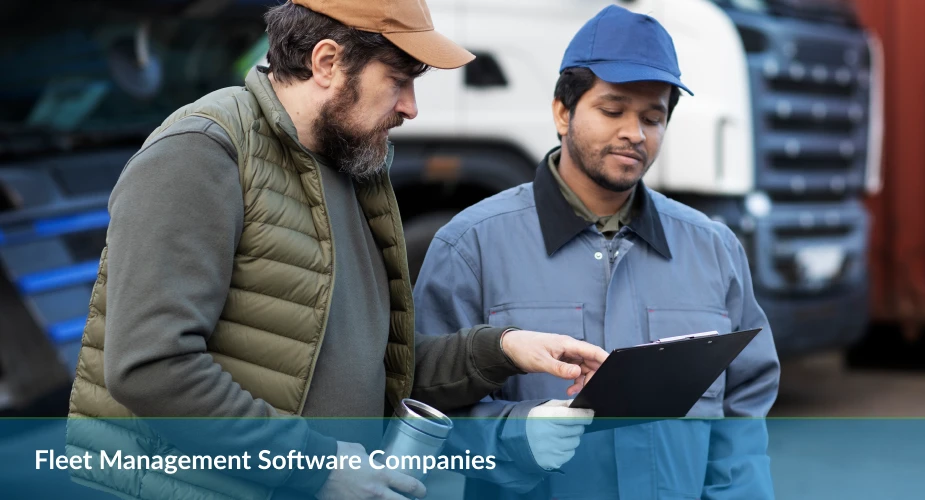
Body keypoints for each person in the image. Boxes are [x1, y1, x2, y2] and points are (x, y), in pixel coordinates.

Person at [63, 1, 607, 499]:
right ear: (326, 62)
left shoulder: (351, 169)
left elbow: (369, 366)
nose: (411, 108)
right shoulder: (201, 152)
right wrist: (317, 467)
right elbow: (151, 369)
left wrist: (501, 349)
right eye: (398, 81)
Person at [413, 5, 781, 499]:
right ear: (562, 111)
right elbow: (424, 407)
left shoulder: (712, 249)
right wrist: (514, 435)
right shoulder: (472, 246)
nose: (635, 132)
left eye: (654, 117)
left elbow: (744, 410)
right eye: (613, 110)